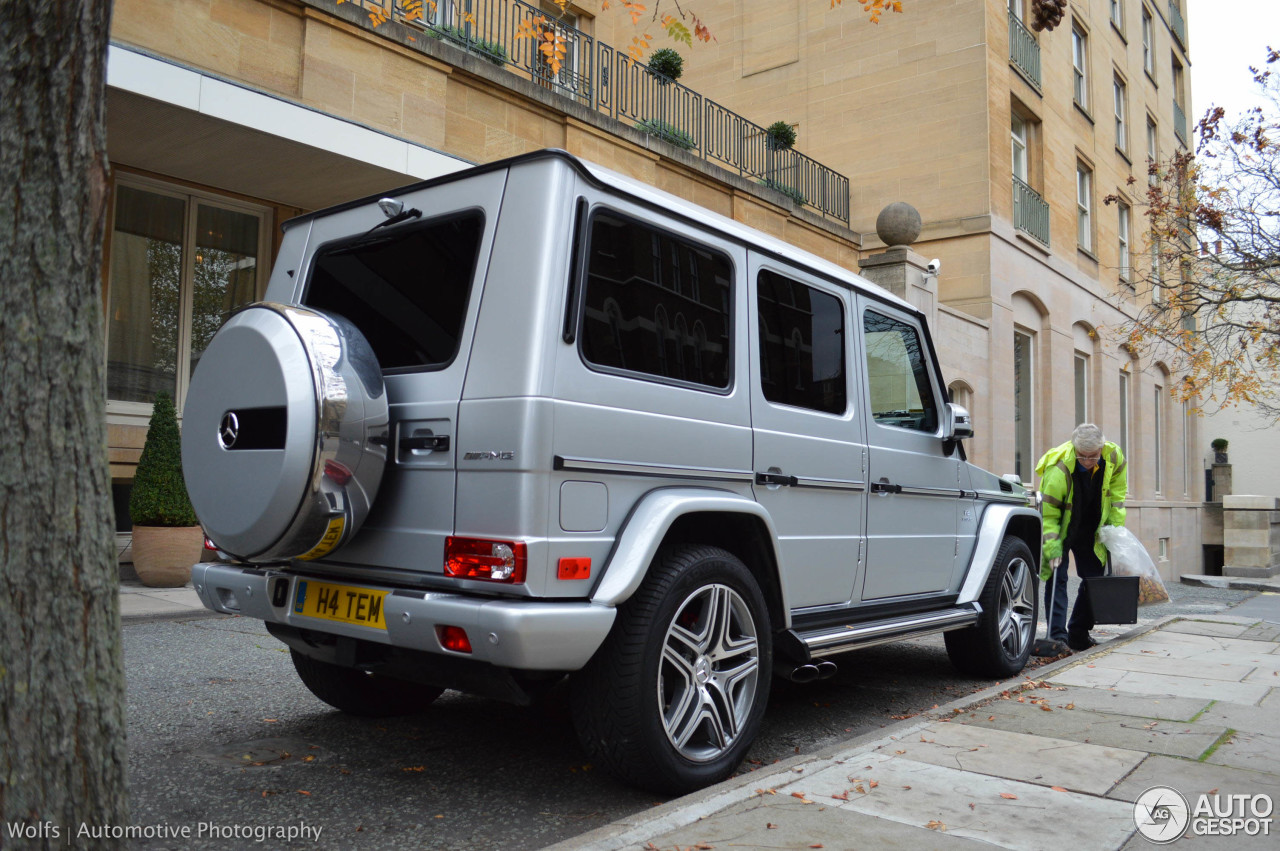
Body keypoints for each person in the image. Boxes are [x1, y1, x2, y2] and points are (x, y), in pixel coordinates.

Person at [1033, 423, 1127, 655]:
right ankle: (1057, 637)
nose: (1087, 461)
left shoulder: (1114, 456)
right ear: (1074, 448)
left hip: (1091, 527)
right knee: (1058, 579)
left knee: (1094, 579)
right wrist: (1052, 544)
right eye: (1082, 456)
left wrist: (1113, 527)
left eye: (1092, 456)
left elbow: (1117, 493)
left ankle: (1078, 633)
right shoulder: (1059, 468)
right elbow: (1050, 513)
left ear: (1102, 448)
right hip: (1063, 527)